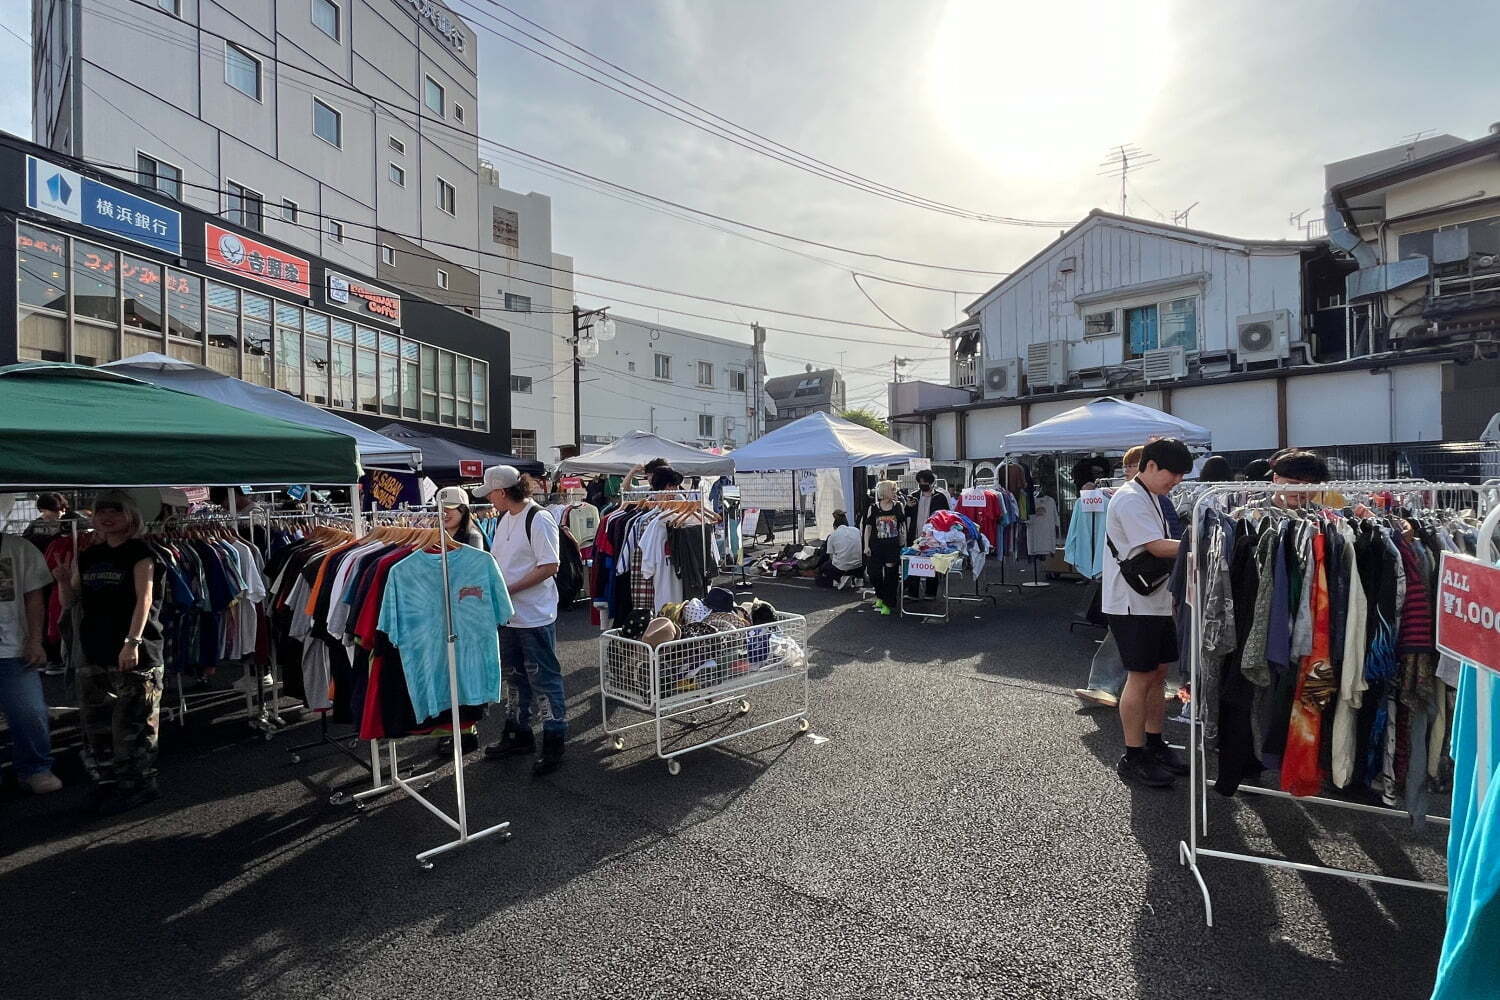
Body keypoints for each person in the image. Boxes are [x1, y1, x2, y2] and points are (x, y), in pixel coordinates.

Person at [55, 490, 165, 813]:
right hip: (94, 652)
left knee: (134, 725)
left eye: (115, 510)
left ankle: (139, 786)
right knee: (97, 726)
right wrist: (62, 581)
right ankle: (108, 784)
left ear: (130, 515)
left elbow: (144, 599)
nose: (106, 516)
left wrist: (132, 642)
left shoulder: (140, 552)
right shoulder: (88, 555)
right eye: (101, 510)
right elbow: (71, 601)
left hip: (134, 652)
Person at [1103, 438, 1192, 787]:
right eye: (1174, 473)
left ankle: (1154, 743)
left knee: (1158, 673)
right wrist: (1209, 541)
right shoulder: (1130, 498)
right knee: (1140, 676)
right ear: (1151, 465)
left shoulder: (1152, 496)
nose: (1177, 481)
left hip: (1153, 600)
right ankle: (1133, 754)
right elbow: (1156, 546)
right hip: (1130, 603)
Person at [475, 466, 568, 775]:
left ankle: (554, 741)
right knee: (515, 678)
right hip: (511, 616)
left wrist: (507, 589)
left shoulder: (538, 518)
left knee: (544, 679)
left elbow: (550, 565)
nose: (488, 497)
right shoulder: (506, 518)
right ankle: (519, 733)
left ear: (502, 492)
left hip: (534, 617)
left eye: (490, 492)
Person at [0, 528, 63, 793]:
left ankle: (35, 768)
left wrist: (35, 640)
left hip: (13, 648)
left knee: (30, 712)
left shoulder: (18, 547)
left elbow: (35, 598)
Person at [862, 480, 908, 617]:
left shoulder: (898, 506)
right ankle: (880, 595)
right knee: (873, 573)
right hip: (876, 545)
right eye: (892, 490)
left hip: (892, 546)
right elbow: (868, 527)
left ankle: (888, 603)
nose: (895, 492)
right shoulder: (874, 507)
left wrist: (904, 544)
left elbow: (903, 526)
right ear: (884, 492)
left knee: (891, 575)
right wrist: (866, 546)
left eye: (895, 490)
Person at [904, 470, 950, 600]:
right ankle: (913, 592)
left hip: (933, 536)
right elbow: (906, 514)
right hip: (915, 534)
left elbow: (945, 516)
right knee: (914, 561)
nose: (922, 485)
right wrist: (907, 506)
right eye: (920, 483)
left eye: (925, 483)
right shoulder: (913, 496)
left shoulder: (940, 497)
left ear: (931, 483)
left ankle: (931, 592)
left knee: (932, 563)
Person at [816, 510, 864, 590]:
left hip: (842, 568)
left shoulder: (832, 536)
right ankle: (857, 578)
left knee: (823, 571)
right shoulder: (856, 530)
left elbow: (830, 557)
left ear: (835, 527)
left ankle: (839, 579)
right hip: (859, 566)